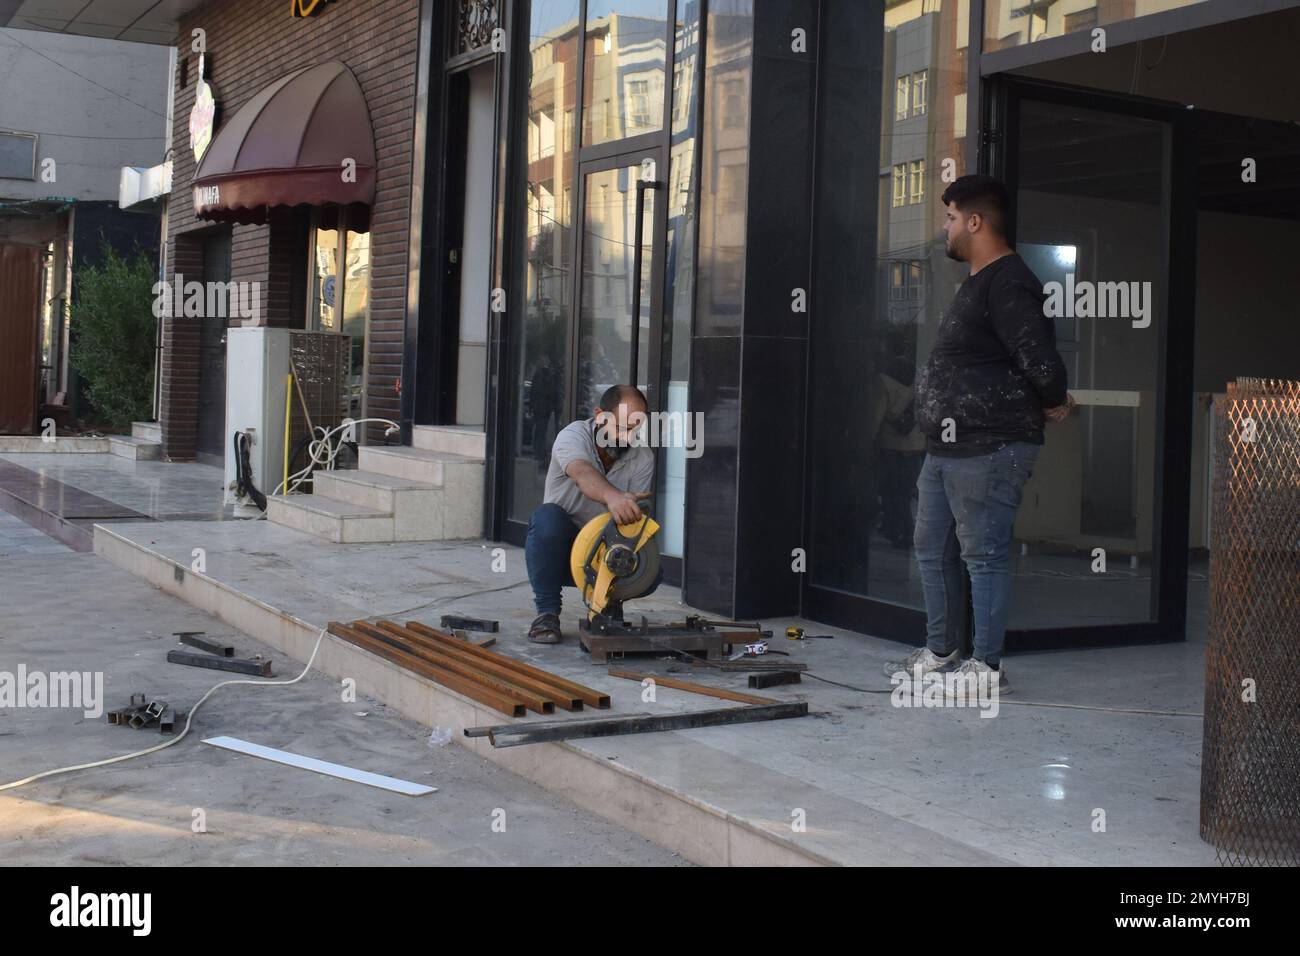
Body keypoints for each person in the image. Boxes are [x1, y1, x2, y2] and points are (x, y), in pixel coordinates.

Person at [886, 174, 1074, 693]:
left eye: (949, 218)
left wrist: (1054, 397)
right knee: (932, 548)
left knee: (982, 556)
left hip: (990, 447)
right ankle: (943, 652)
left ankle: (986, 668)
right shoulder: (979, 281)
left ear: (975, 221)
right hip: (947, 447)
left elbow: (1039, 359)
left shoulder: (1009, 282)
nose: (943, 229)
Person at [524, 384, 658, 644]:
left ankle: (608, 603)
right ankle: (547, 613)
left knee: (651, 569)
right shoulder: (572, 436)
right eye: (621, 428)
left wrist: (630, 514)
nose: (628, 438)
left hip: (603, 550)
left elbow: (632, 529)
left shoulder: (643, 457)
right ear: (599, 415)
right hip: (558, 551)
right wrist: (614, 496)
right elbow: (582, 472)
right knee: (546, 519)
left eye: (636, 429)